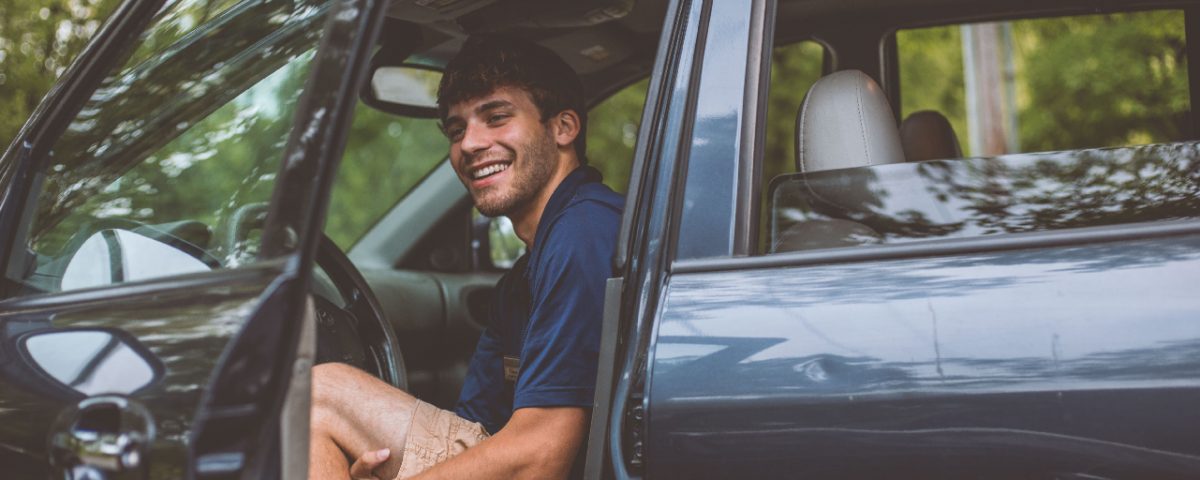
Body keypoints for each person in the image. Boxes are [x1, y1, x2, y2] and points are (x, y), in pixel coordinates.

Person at [308, 34, 624, 480]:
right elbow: (476, 430)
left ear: (563, 127)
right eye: (457, 130)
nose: (470, 144)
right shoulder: (519, 281)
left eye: (496, 118)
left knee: (317, 394)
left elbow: (540, 455)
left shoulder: (585, 231)